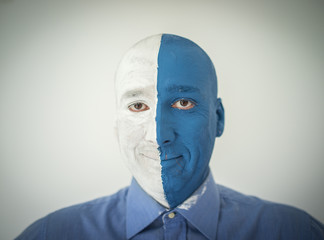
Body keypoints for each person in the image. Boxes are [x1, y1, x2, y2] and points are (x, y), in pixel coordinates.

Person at [16, 34, 324, 240]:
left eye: (183, 103)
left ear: (218, 119)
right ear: (116, 125)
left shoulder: (295, 231)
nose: (158, 135)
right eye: (137, 105)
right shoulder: (50, 234)